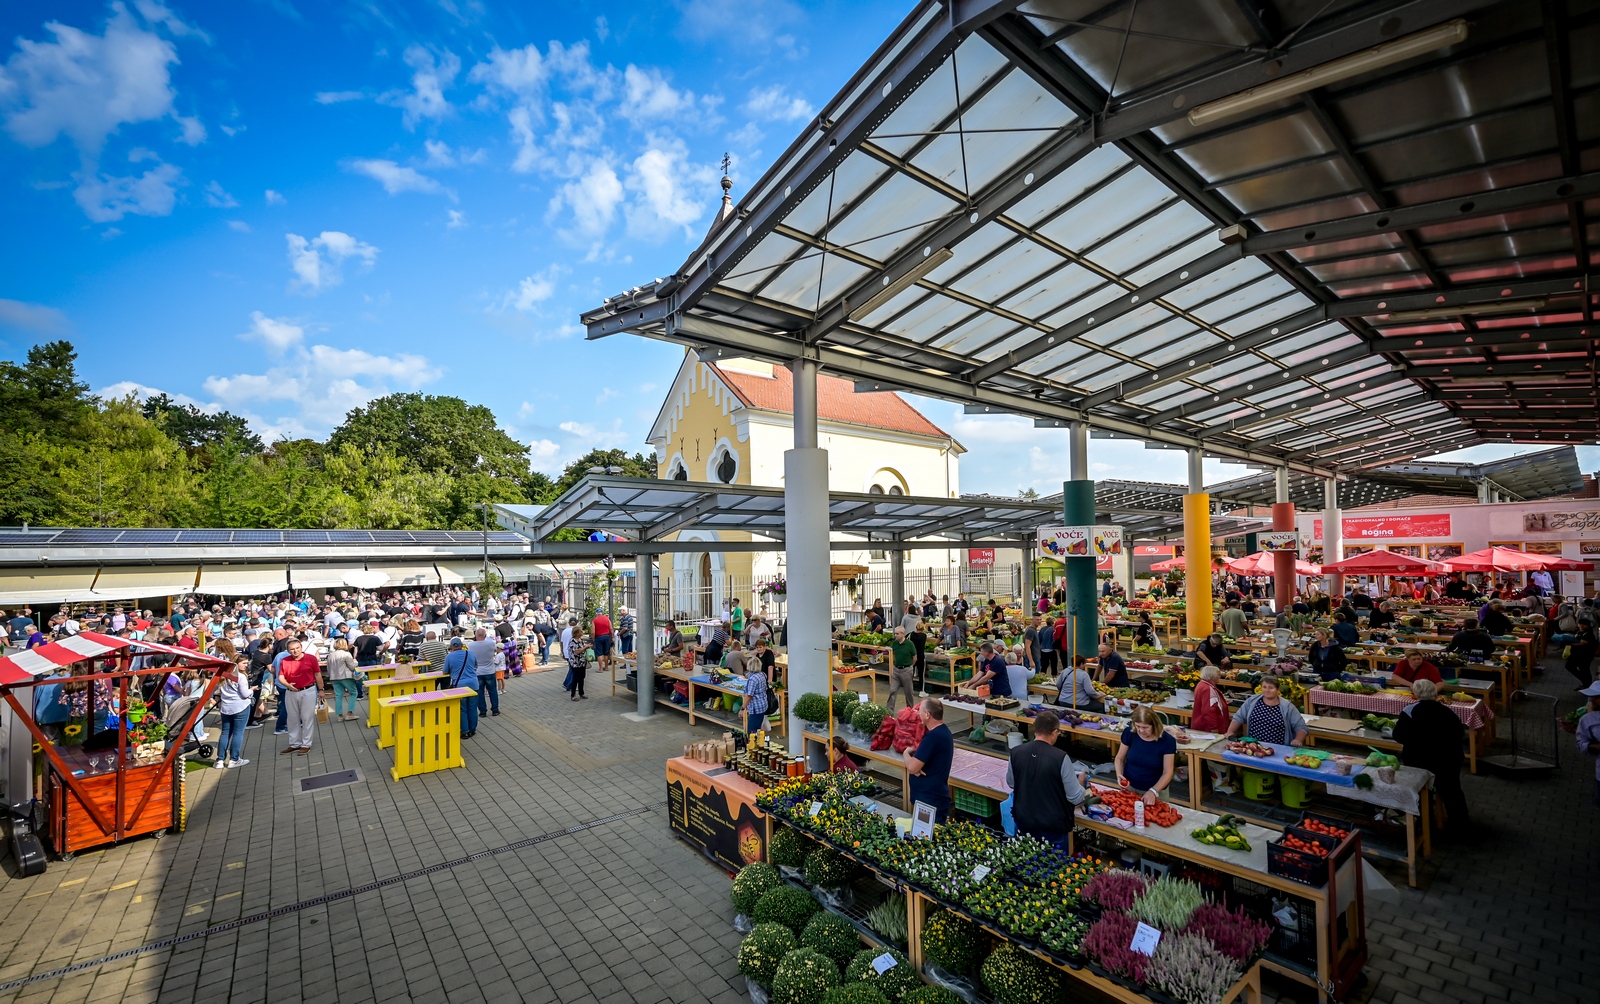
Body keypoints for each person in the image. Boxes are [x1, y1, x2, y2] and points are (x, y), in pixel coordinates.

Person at [1392, 679, 1469, 835]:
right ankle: (1461, 827)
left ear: (1415, 694)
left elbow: (1399, 735)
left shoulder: (1409, 711)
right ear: (1435, 693)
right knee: (1452, 791)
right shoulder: (1449, 712)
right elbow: (1459, 734)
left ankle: (1425, 824)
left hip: (1419, 760)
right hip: (1448, 759)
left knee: (1421, 790)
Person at [1006, 709, 1088, 851]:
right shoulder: (1060, 757)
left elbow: (1011, 783)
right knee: (1055, 869)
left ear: (1035, 729)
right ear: (1055, 732)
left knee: (1026, 865)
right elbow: (1075, 797)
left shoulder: (1016, 752)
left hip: (1024, 821)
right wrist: (1081, 782)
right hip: (1052, 826)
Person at [1115, 706, 1177, 806]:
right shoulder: (1130, 733)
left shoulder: (1167, 741)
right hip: (1130, 788)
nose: (1141, 731)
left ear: (1154, 725)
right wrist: (1119, 774)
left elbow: (1167, 772)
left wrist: (1153, 791)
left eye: (1145, 727)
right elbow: (1119, 758)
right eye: (1138, 726)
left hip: (1156, 791)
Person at [904, 699, 953, 822]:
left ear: (927, 715)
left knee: (926, 837)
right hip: (933, 797)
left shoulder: (933, 737)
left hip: (929, 800)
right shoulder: (944, 731)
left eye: (920, 710)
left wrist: (906, 753)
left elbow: (912, 768)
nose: (917, 712)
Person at [276, 638, 325, 755]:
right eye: (292, 649)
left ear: (301, 648)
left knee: (307, 717)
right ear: (288, 650)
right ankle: (294, 743)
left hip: (308, 690)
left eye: (297, 648)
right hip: (291, 691)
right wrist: (287, 685)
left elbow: (317, 674)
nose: (295, 651)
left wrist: (321, 690)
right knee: (292, 718)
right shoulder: (285, 660)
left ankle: (306, 744)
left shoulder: (311, 658)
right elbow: (281, 677)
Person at [1226, 676, 1307, 745]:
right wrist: (1230, 732)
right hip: (1254, 746)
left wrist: (1298, 740)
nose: (1267, 690)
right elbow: (1239, 717)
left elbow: (1301, 727)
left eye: (1271, 687)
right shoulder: (1252, 701)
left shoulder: (1287, 706)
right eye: (1264, 687)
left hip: (1279, 748)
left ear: (1278, 690)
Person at [214, 658, 254, 769]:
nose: (246, 665)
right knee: (238, 733)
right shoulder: (240, 677)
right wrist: (252, 690)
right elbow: (245, 694)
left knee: (225, 733)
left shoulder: (223, 676)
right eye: (244, 663)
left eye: (247, 663)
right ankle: (234, 759)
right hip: (240, 707)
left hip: (226, 707)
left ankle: (220, 760)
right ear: (236, 664)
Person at [443, 639, 479, 738]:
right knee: (472, 708)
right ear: (462, 645)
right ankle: (473, 729)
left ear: (451, 647)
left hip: (460, 686)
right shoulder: (470, 653)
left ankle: (465, 731)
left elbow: (445, 672)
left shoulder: (449, 656)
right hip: (473, 684)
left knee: (463, 709)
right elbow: (476, 665)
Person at [1574, 681, 1600, 806]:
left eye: (1597, 697)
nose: (1592, 700)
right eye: (1591, 697)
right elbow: (1581, 743)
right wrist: (1593, 746)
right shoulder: (1588, 719)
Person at [326, 638, 363, 722]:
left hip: (334, 677)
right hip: (345, 676)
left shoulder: (330, 655)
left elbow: (328, 668)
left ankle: (340, 715)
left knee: (339, 696)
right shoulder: (346, 654)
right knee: (354, 693)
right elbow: (352, 667)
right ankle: (350, 713)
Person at [468, 627, 501, 717]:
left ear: (475, 635)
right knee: (493, 691)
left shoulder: (471, 645)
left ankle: (482, 711)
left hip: (478, 672)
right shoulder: (491, 643)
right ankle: (495, 710)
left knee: (480, 692)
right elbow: (495, 651)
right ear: (485, 635)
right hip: (490, 671)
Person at [1190, 665, 1231, 733]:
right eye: (1218, 674)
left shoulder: (1201, 684)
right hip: (1207, 728)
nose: (1219, 677)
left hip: (1201, 726)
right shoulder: (1208, 689)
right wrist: (1214, 728)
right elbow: (1208, 710)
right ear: (1212, 676)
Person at [887, 626, 917, 712]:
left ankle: (910, 710)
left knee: (908, 692)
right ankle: (889, 711)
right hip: (896, 670)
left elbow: (914, 657)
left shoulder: (910, 644)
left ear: (903, 634)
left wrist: (910, 666)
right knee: (892, 690)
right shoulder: (895, 644)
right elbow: (893, 655)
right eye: (895, 633)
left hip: (906, 670)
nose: (895, 635)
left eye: (897, 634)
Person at [743, 653, 769, 733]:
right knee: (758, 729)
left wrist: (742, 708)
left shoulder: (753, 679)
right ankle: (759, 743)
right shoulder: (762, 675)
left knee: (751, 731)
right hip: (763, 705)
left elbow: (749, 696)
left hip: (755, 708)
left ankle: (752, 744)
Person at [1566, 619, 1598, 686]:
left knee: (1584, 669)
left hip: (1585, 655)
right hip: (1578, 654)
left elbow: (1582, 643)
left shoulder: (1588, 634)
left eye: (1584, 624)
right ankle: (1586, 682)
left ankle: (1586, 683)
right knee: (1573, 666)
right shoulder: (1579, 632)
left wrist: (1569, 643)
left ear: (1588, 625)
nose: (1581, 626)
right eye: (1580, 624)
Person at [565, 625, 589, 700]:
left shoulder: (581, 640)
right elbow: (576, 652)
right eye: (580, 631)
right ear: (576, 633)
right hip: (575, 663)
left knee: (582, 677)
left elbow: (583, 648)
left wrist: (588, 647)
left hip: (582, 662)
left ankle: (581, 693)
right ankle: (573, 695)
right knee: (575, 679)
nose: (582, 632)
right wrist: (585, 647)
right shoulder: (573, 641)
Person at [591, 609, 613, 676]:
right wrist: (612, 637)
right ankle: (606, 667)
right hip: (607, 636)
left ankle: (600, 668)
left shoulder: (594, 620)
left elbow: (593, 632)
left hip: (599, 637)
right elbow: (611, 629)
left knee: (599, 653)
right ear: (602, 613)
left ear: (596, 613)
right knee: (606, 653)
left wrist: (594, 639)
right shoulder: (607, 619)